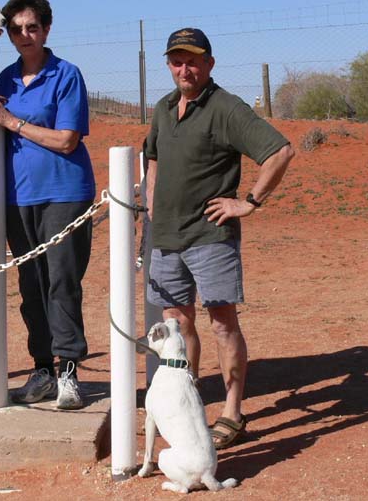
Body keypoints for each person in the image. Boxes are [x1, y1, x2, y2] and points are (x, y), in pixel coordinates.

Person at [143, 27, 295, 448]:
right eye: (176, 60)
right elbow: (152, 158)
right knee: (176, 322)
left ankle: (232, 412)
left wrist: (247, 202)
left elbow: (280, 152)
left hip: (210, 235)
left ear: (209, 63)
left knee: (222, 323)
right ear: (169, 64)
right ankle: (189, 408)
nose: (184, 68)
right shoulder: (163, 107)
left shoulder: (226, 107)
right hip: (167, 234)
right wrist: (151, 201)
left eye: (192, 60)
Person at [0, 0, 95, 410]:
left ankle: (69, 374)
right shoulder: (3, 79)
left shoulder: (66, 75)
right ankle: (42, 369)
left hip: (65, 193)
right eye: (15, 28)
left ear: (46, 29)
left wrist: (12, 121)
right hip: (17, 198)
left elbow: (66, 140)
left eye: (32, 27)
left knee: (62, 283)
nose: (24, 35)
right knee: (31, 286)